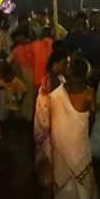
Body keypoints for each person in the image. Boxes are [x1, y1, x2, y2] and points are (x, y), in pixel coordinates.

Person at [50, 59, 99, 199]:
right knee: (80, 164)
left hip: (60, 136)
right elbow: (92, 117)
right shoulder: (89, 91)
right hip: (79, 136)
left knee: (63, 164)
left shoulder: (58, 91)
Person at [34, 49, 68, 188]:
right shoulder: (50, 79)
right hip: (48, 120)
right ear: (56, 63)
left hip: (50, 119)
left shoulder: (57, 77)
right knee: (49, 151)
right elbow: (51, 102)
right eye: (64, 63)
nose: (66, 66)